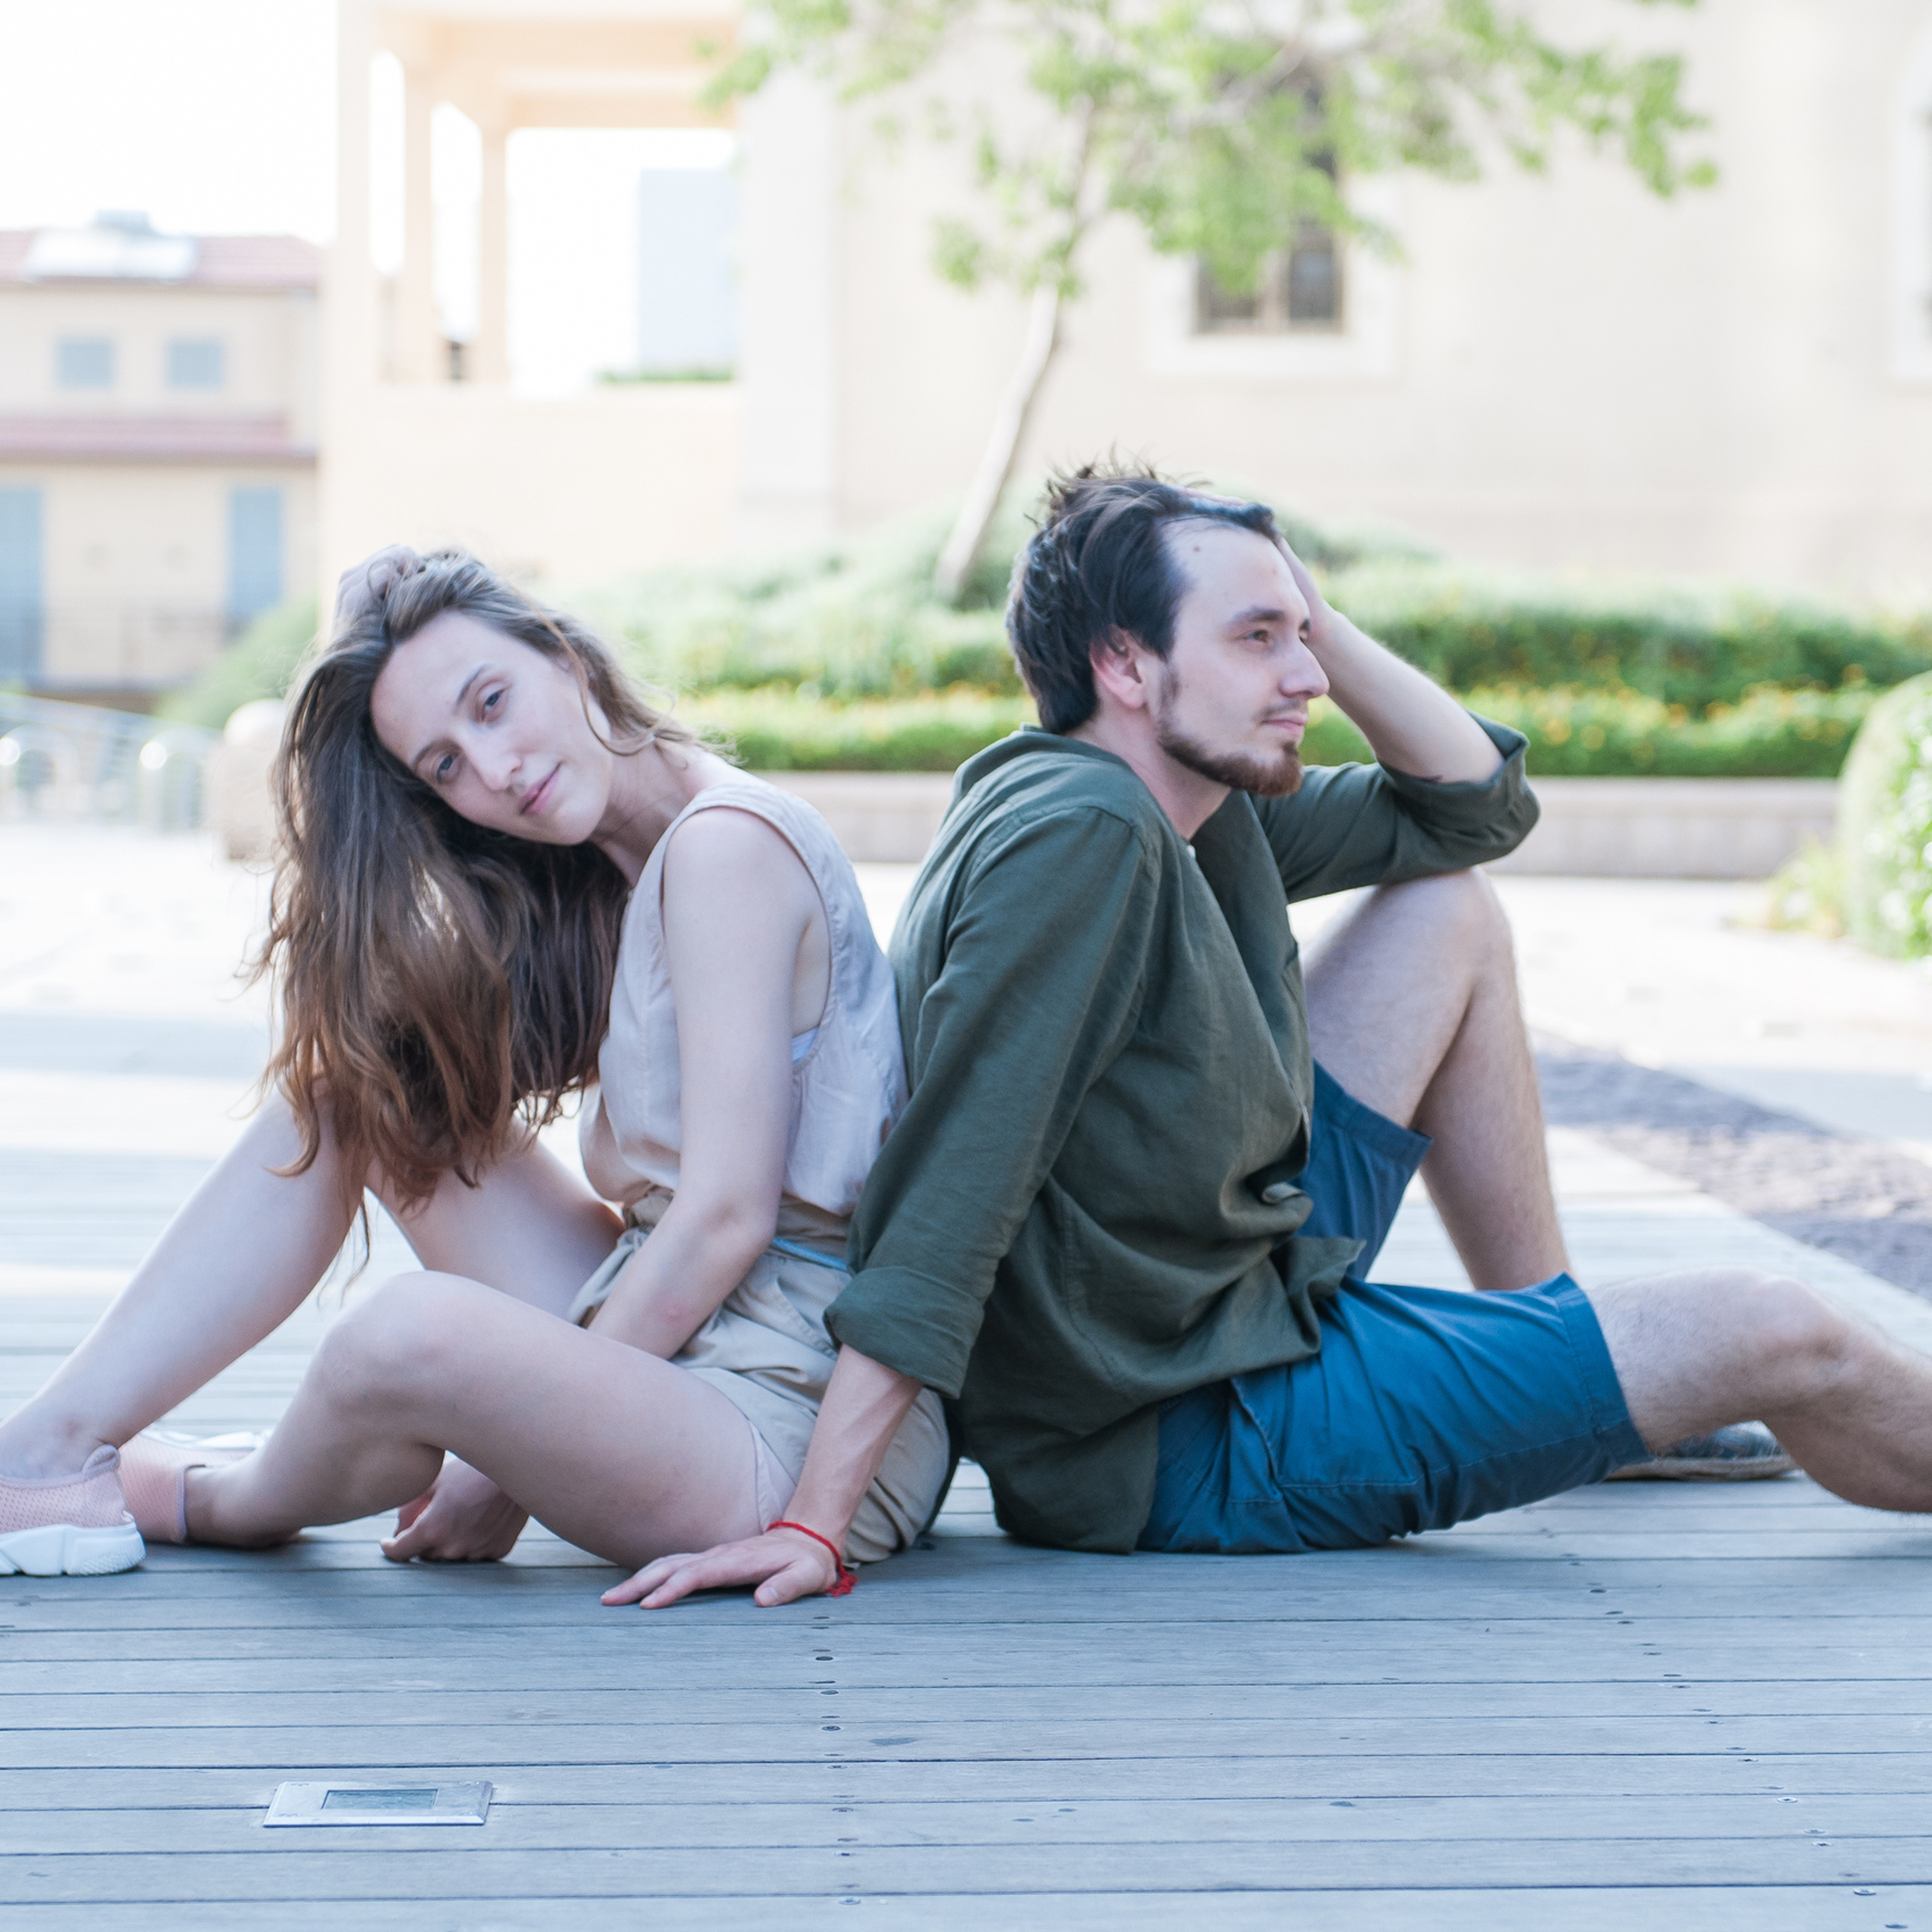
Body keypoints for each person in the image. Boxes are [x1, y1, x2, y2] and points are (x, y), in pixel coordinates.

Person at [618, 465, 1932, 1607]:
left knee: (1449, 913)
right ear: (1124, 664)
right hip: (1185, 1425)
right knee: (1781, 1328)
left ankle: (1561, 1347)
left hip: (1241, 1284)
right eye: (1259, 638)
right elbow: (948, 1202)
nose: (1307, 676)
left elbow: (1475, 810)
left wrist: (1299, 602)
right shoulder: (1081, 841)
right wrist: (814, 1521)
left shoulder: (1190, 797)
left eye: (1302, 633)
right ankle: (1587, 1384)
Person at [0, 548, 947, 1581]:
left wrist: (502, 1466)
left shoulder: (726, 849)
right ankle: (50, 1447)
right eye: (444, 764)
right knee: (360, 1103)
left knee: (405, 1336)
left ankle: (212, 1498)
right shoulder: (629, 859)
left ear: (565, 654)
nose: (493, 770)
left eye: (491, 702)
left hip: (792, 1419)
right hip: (702, 1337)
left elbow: (725, 1219)